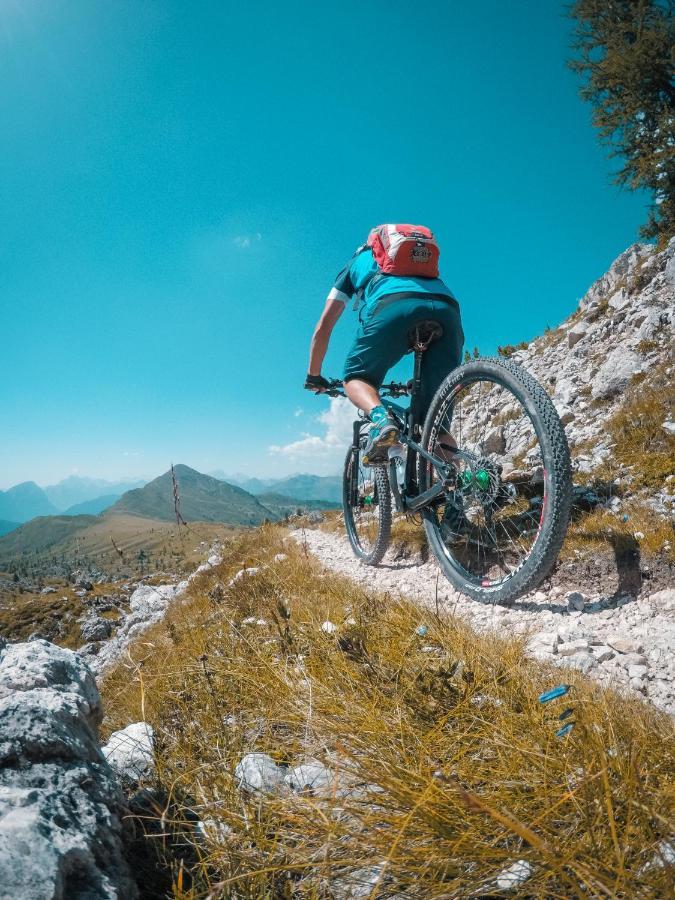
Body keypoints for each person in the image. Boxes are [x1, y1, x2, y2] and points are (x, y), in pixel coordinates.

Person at [304, 224, 464, 465]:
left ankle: (382, 421)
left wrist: (313, 375)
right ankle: (453, 493)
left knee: (356, 378)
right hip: (448, 309)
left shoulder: (356, 263)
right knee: (436, 422)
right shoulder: (419, 265)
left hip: (393, 306)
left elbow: (323, 327)